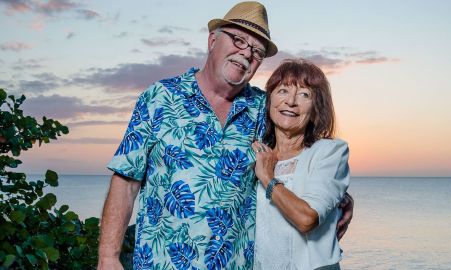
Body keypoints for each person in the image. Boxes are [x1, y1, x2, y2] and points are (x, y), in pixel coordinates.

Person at [97, 2, 353, 269]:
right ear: (212, 41)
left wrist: (338, 199)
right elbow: (126, 180)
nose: (246, 53)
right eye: (238, 40)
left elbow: (301, 150)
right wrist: (108, 257)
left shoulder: (262, 109)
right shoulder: (159, 97)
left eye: (257, 51)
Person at [252, 59, 350, 270]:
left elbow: (307, 219)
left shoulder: (329, 152)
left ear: (316, 108)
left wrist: (268, 179)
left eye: (304, 94)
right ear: (269, 101)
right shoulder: (258, 152)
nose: (291, 101)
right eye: (283, 91)